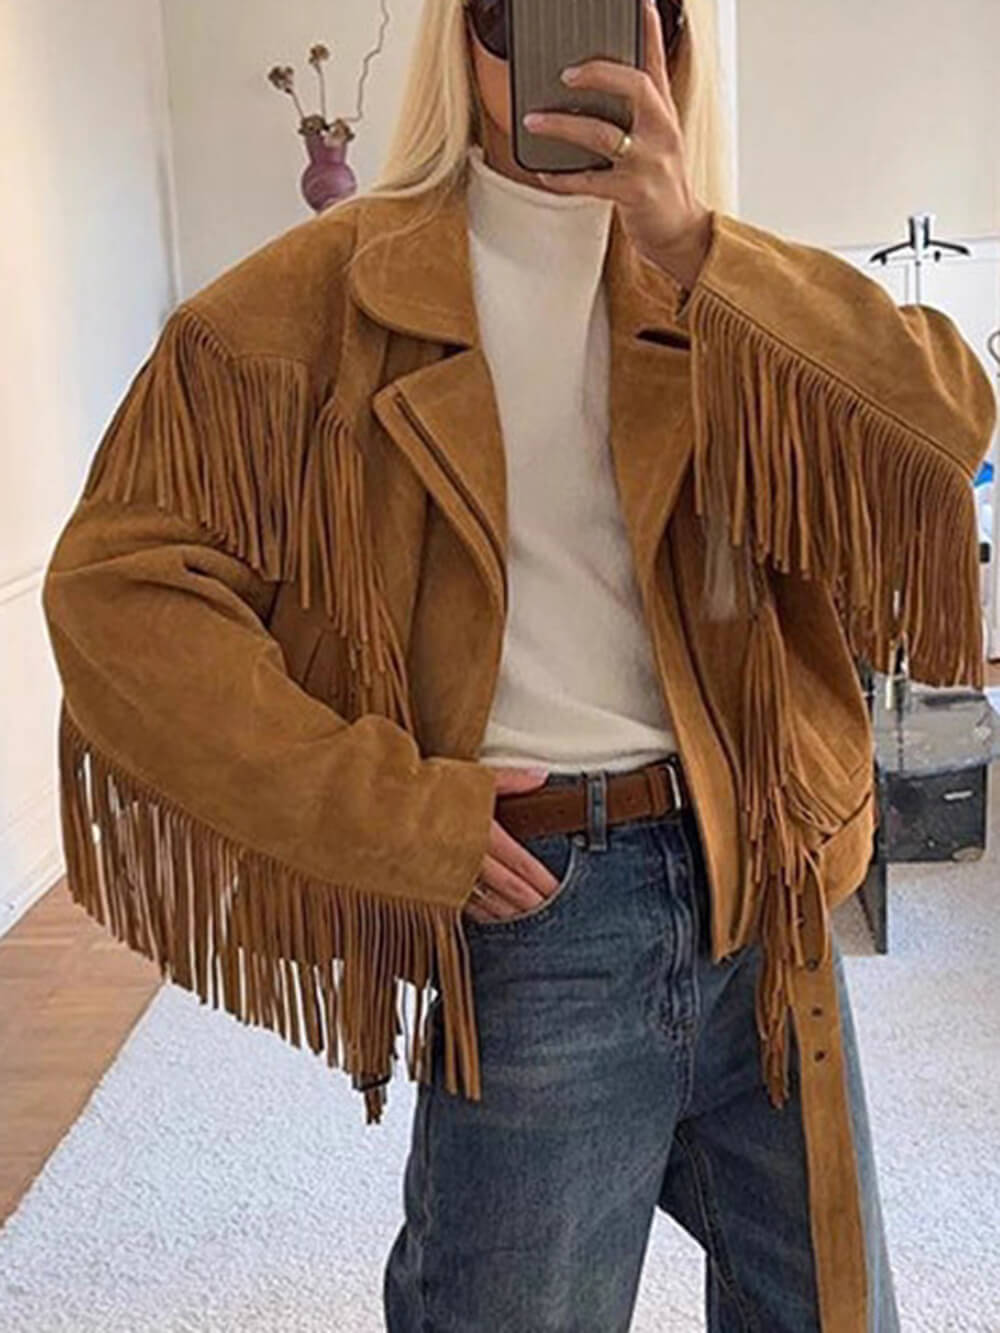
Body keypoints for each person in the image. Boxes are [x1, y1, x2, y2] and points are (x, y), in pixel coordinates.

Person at [41, 0, 995, 1330]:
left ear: (671, 43)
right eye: (518, 11)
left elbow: (947, 429)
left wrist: (694, 241)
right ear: (462, 38)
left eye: (622, 9)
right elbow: (119, 592)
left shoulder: (717, 275)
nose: (566, 48)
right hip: (544, 908)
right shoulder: (324, 297)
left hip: (765, 893)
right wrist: (388, 810)